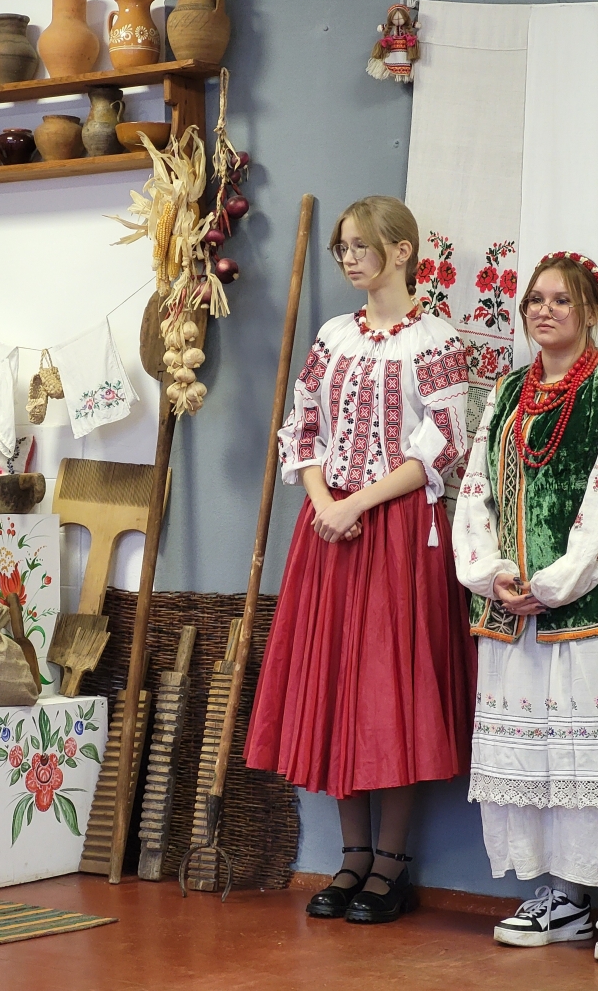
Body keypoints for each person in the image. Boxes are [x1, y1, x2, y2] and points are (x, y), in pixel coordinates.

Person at [245, 195, 477, 924]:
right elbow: (303, 423)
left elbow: (445, 442)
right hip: (330, 530)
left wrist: (358, 505)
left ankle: (391, 864)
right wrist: (324, 502)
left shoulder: (435, 340)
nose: (348, 258)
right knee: (338, 682)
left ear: (402, 251)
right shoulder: (334, 334)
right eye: (341, 247)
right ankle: (350, 858)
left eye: (360, 246)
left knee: (390, 687)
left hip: (398, 530)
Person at [453, 251, 598, 964]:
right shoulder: (508, 393)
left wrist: (552, 585)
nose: (544, 311)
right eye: (535, 300)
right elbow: (475, 490)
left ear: (592, 312)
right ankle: (563, 898)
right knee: (534, 760)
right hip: (510, 609)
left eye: (562, 300)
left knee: (591, 759)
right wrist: (491, 575)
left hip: (590, 606)